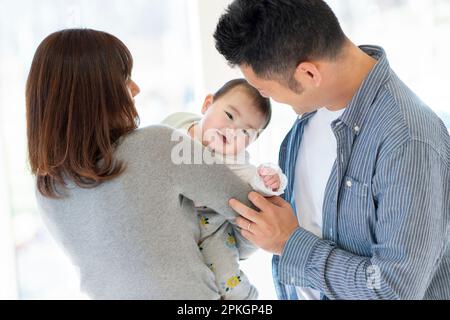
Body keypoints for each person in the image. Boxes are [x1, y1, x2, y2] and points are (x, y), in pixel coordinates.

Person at [214, 0, 450, 299]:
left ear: (309, 74)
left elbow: (395, 288)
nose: (267, 98)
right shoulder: (306, 121)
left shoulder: (408, 139)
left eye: (264, 89)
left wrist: (289, 243)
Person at [26, 28, 258, 299]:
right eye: (124, 78)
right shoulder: (156, 144)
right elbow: (255, 215)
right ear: (96, 92)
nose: (136, 89)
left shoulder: (46, 190)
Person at [162, 78, 288, 299]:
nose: (232, 131)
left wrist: (271, 180)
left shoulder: (234, 160)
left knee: (228, 277)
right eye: (229, 116)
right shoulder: (174, 134)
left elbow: (254, 178)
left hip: (213, 229)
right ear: (207, 104)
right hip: (174, 223)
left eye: (245, 133)